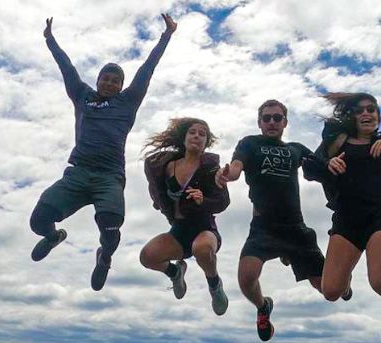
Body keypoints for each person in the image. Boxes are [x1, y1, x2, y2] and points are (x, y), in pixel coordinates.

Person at [29, 14, 176, 291]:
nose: (109, 84)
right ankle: (53, 237)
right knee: (38, 221)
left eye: (115, 81)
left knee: (110, 230)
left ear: (121, 85)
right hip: (78, 174)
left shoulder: (128, 101)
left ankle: (104, 257)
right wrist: (50, 40)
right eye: (105, 79)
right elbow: (66, 68)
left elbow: (148, 67)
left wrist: (166, 35)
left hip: (109, 178)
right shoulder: (82, 95)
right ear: (98, 81)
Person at [217, 100, 345, 341]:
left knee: (330, 292)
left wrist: (332, 160)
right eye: (267, 118)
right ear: (259, 122)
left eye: (277, 118)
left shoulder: (296, 149)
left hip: (295, 228)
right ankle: (263, 306)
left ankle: (341, 279)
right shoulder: (250, 143)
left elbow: (321, 165)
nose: (272, 122)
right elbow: (235, 167)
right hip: (263, 227)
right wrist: (227, 175)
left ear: (285, 122)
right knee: (246, 278)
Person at [311, 93, 381, 313]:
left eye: (371, 109)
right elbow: (309, 168)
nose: (366, 113)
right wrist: (328, 163)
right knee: (330, 291)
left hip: (380, 220)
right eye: (359, 111)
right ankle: (345, 278)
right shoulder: (337, 142)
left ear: (379, 116)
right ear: (352, 117)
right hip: (346, 223)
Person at [140, 118, 230, 315]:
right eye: (192, 132)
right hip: (179, 231)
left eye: (202, 134)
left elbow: (223, 202)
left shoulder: (211, 169)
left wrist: (203, 200)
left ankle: (214, 285)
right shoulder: (166, 166)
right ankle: (175, 272)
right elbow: (156, 188)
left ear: (206, 142)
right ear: (184, 138)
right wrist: (159, 202)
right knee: (147, 257)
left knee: (202, 248)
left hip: (205, 229)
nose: (197, 136)